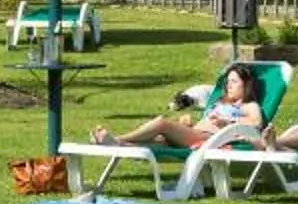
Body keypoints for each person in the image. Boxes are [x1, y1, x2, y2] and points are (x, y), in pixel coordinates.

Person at [90, 61, 268, 151]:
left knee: (161, 123)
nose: (228, 85)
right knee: (156, 141)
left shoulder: (249, 105)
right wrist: (188, 124)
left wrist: (228, 121)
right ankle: (118, 146)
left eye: (234, 81)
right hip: (195, 134)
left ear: (247, 85)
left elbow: (256, 124)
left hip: (209, 141)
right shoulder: (221, 101)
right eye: (227, 81)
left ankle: (117, 139)